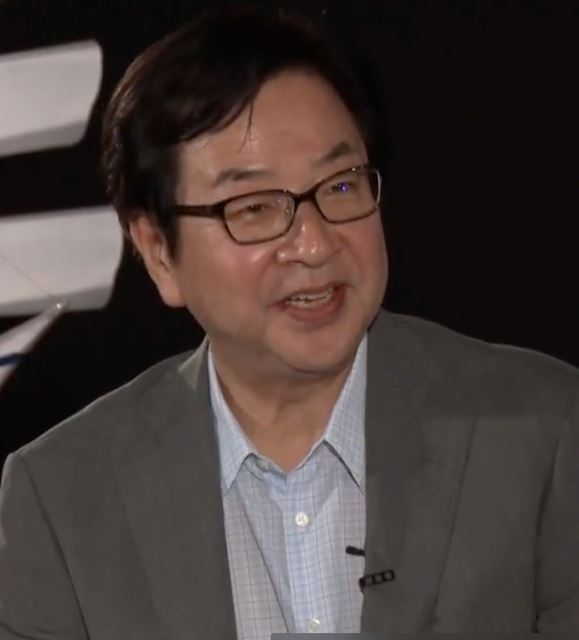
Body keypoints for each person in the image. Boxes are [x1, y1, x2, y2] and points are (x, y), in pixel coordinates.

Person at [0, 6, 578, 639]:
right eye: (254, 207)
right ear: (159, 251)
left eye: (341, 186)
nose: (314, 243)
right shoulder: (60, 499)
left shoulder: (548, 431)